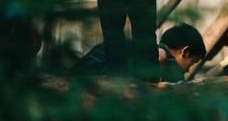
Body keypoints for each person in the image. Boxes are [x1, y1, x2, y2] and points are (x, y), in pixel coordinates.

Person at [75, 22, 206, 82]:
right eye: (192, 63)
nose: (188, 70)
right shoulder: (170, 63)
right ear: (185, 52)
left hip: (86, 66)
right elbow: (160, 56)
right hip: (96, 70)